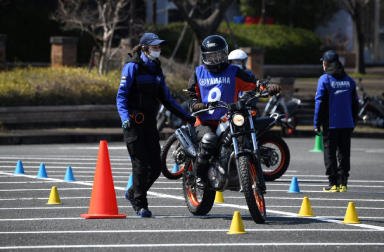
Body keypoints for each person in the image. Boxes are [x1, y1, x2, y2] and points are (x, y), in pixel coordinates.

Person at [116, 32, 194, 217]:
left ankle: (132, 192)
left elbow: (167, 99)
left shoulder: (156, 68)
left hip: (150, 124)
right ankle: (140, 204)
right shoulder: (132, 67)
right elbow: (121, 96)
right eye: (154, 47)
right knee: (140, 165)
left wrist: (187, 117)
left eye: (159, 47)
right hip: (133, 124)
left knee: (156, 167)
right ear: (144, 48)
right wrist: (124, 118)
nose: (158, 50)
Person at [187, 35, 280, 188]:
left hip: (228, 117)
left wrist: (267, 88)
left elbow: (253, 83)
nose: (216, 59)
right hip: (205, 121)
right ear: (205, 57)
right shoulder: (198, 73)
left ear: (225, 54)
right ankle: (199, 176)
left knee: (242, 132)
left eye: (219, 54)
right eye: (212, 55)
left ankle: (237, 172)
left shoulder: (234, 71)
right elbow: (192, 98)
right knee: (209, 139)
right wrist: (198, 105)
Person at [314, 50, 359, 192]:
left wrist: (316, 123)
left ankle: (333, 183)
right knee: (344, 153)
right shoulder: (349, 81)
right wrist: (353, 122)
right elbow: (355, 104)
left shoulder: (325, 80)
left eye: (323, 62)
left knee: (330, 153)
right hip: (347, 124)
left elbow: (319, 103)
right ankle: (343, 183)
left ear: (326, 63)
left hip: (331, 124)